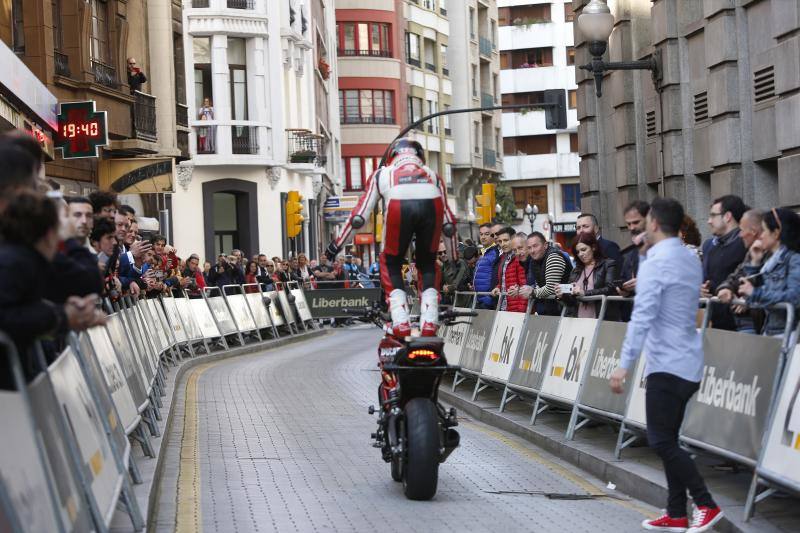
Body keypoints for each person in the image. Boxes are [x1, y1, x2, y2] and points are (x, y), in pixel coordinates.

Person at [609, 197, 723, 533]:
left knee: (661, 441)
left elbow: (643, 315)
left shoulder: (657, 261)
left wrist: (624, 363)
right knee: (669, 437)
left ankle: (706, 504)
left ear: (654, 224)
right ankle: (676, 513)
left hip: (666, 364)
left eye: (644, 223)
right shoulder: (687, 257)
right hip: (686, 359)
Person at [325, 138, 457, 336]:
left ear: (392, 156)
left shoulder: (383, 174)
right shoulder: (433, 175)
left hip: (398, 205)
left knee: (390, 262)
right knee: (428, 264)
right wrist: (454, 257)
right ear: (419, 157)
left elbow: (359, 217)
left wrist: (335, 246)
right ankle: (430, 321)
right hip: (432, 204)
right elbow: (448, 224)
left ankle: (400, 320)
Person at [0, 191, 103, 385]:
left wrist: (60, 311)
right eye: (60, 232)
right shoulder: (14, 262)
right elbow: (7, 315)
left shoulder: (26, 259)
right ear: (50, 234)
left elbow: (87, 282)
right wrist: (61, 316)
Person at [738, 208, 800, 337]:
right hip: (770, 330)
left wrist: (755, 292)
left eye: (764, 230)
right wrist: (755, 262)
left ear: (776, 233)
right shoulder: (771, 260)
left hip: (790, 334)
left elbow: (795, 298)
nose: (761, 236)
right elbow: (753, 295)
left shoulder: (794, 259)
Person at [701, 195, 747, 330]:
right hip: (716, 322)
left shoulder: (746, 242)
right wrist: (703, 289)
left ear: (727, 216)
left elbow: (757, 273)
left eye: (713, 215)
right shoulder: (710, 247)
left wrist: (749, 298)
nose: (709, 221)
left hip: (742, 323)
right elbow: (708, 278)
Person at [716, 210, 767, 333]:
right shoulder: (750, 252)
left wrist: (749, 299)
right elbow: (736, 276)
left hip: (758, 325)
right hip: (744, 323)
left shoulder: (778, 255)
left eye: (742, 230)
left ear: (754, 232)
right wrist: (726, 288)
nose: (740, 235)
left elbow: (772, 285)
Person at [556, 232, 620, 320]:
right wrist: (562, 295)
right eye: (577, 252)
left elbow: (610, 289)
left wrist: (584, 293)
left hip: (602, 319)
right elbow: (571, 302)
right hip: (578, 320)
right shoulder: (576, 270)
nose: (580, 254)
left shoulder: (608, 264)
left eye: (583, 249)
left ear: (593, 247)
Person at [519, 232, 571, 316]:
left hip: (566, 309)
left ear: (545, 245)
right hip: (553, 310)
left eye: (535, 246)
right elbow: (540, 285)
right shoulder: (534, 261)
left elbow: (551, 289)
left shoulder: (553, 257)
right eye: (529, 247)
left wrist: (532, 292)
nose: (532, 251)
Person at [490, 227, 528, 312]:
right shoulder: (503, 257)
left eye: (506, 240)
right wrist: (498, 287)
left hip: (517, 310)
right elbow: (505, 280)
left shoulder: (519, 257)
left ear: (513, 239)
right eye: (500, 241)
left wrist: (521, 312)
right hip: (504, 307)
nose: (503, 244)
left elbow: (524, 286)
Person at [474, 222, 504, 309]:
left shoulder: (496, 253)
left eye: (487, 234)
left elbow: (498, 277)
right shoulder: (486, 252)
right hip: (480, 299)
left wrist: (489, 299)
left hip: (489, 300)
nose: (483, 237)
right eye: (481, 234)